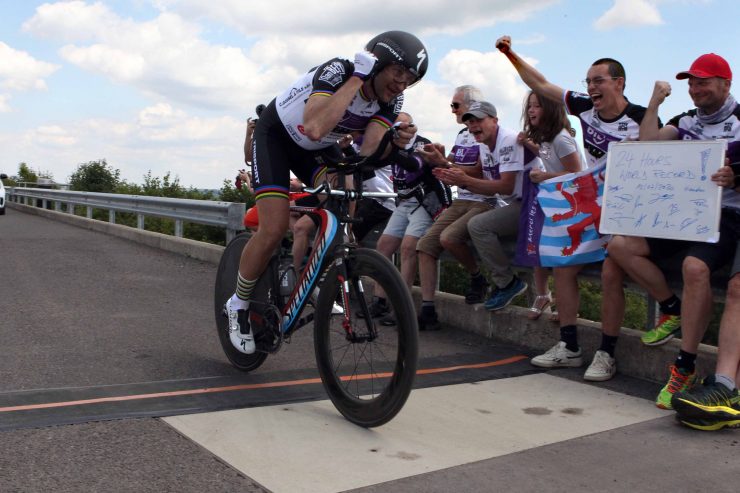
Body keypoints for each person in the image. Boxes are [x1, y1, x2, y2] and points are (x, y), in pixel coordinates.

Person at [224, 31, 428, 354]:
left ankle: (321, 276)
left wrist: (396, 142)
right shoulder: (339, 71)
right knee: (274, 228)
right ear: (379, 63)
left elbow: (368, 148)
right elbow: (316, 127)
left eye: (410, 79)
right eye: (398, 73)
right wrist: (358, 78)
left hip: (315, 150)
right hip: (277, 138)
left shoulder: (393, 100)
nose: (402, 84)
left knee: (345, 191)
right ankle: (237, 304)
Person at [496, 35, 650, 379]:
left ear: (619, 83)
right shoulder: (584, 107)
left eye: (599, 80)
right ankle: (569, 347)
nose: (592, 87)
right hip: (591, 203)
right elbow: (539, 83)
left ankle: (606, 353)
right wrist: (510, 54)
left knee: (611, 273)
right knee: (562, 266)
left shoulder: (641, 117)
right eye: (588, 82)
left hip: (626, 208)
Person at [636, 53, 740, 409]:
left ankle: (685, 364)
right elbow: (646, 146)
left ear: (726, 84)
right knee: (621, 246)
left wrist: (736, 177)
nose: (695, 89)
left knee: (695, 268)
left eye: (703, 82)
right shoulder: (686, 120)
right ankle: (671, 308)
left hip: (727, 216)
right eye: (691, 83)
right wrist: (654, 102)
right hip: (684, 213)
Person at [420, 100, 527, 311]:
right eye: (470, 122)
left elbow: (504, 187)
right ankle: (428, 307)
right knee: (427, 243)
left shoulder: (508, 140)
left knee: (477, 226)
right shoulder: (484, 144)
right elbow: (480, 176)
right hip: (511, 201)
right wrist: (445, 165)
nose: (473, 125)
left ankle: (506, 282)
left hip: (529, 204)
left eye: (479, 120)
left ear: (495, 120)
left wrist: (463, 181)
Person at [414, 85, 490, 331]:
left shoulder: (485, 133)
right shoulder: (462, 134)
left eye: (455, 105)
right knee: (425, 246)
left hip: (483, 198)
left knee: (448, 238)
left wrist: (445, 163)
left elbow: (480, 171)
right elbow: (455, 164)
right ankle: (427, 308)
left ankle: (477, 278)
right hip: (462, 198)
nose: (452, 111)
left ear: (471, 106)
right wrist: (439, 158)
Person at [517, 92, 584, 334]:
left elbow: (578, 174)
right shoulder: (545, 138)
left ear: (551, 110)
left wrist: (544, 176)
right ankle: (545, 295)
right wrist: (528, 144)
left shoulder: (561, 139)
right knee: (538, 245)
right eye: (530, 106)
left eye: (537, 106)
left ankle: (563, 306)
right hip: (557, 202)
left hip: (572, 206)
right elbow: (547, 155)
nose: (531, 110)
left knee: (557, 256)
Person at [370, 113, 443, 325]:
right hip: (404, 201)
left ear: (411, 127)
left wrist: (393, 152)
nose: (395, 130)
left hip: (425, 200)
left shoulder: (423, 144)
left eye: (400, 126)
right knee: (383, 246)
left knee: (409, 247)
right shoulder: (389, 145)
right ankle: (379, 300)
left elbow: (415, 166)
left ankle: (403, 307)